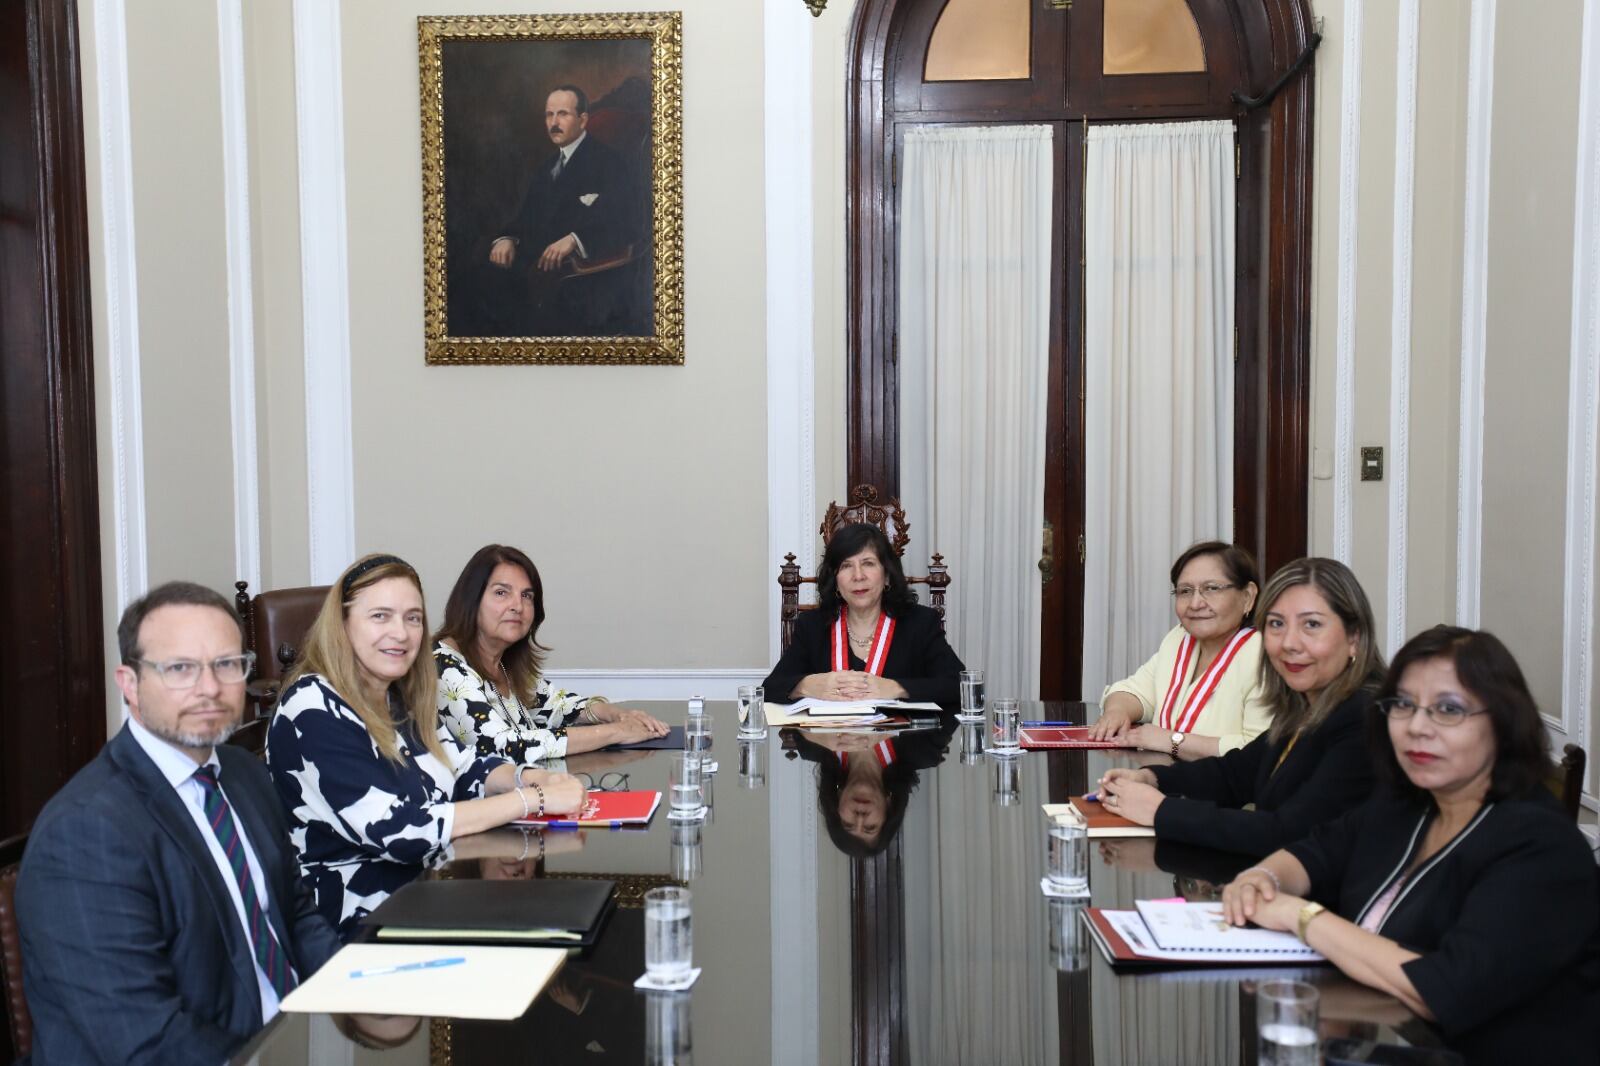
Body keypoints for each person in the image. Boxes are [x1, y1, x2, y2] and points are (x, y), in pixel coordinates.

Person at [1221, 627, 1600, 1064]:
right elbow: (1318, 851)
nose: (1418, 727)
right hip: (1393, 1037)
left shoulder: (1541, 847)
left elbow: (1444, 989)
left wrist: (1301, 916)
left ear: (1502, 723)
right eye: (1403, 705)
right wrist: (1262, 877)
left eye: (1448, 710)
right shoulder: (1409, 803)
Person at [16, 582, 340, 1065]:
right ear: (129, 683)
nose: (209, 687)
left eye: (227, 665)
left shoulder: (244, 772)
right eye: (180, 668)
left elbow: (297, 917)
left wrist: (365, 1000)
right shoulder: (85, 831)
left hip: (290, 1041)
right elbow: (144, 1040)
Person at [266, 553, 586, 939]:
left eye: (413, 618)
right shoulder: (312, 704)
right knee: (539, 930)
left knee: (564, 921)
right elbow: (401, 831)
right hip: (352, 920)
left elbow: (461, 767)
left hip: (423, 891)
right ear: (343, 624)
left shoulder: (397, 696)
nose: (401, 633)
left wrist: (530, 776)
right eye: (380, 616)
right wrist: (531, 800)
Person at [1094, 557, 1382, 857]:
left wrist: (1161, 811)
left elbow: (1286, 834)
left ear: (1355, 638)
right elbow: (1236, 773)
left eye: (1311, 624)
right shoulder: (1307, 706)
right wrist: (1152, 778)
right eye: (1276, 624)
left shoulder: (1366, 719)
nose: (1290, 643)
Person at [434, 544, 668, 765]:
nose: (518, 605)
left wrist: (615, 714)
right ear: (471, 600)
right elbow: (506, 746)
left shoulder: (504, 661)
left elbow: (556, 706)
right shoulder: (444, 665)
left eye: (527, 595)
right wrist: (615, 732)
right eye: (501, 593)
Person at [1087, 541, 1271, 759]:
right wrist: (1116, 711)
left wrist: (1171, 740)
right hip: (1167, 777)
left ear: (1247, 596)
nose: (1195, 603)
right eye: (1185, 591)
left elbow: (1259, 750)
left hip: (1230, 790)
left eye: (1211, 588)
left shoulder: (1265, 655)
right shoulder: (1179, 639)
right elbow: (1135, 691)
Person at [485, 85, 641, 335]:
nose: (554, 123)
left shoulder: (610, 163)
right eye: (549, 115)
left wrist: (575, 239)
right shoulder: (546, 167)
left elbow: (627, 223)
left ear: (583, 120)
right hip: (529, 269)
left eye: (563, 114)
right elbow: (525, 217)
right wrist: (507, 238)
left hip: (579, 276)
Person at [762, 522, 965, 706]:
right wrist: (807, 685)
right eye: (846, 566)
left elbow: (960, 686)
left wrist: (895, 688)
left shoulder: (920, 623)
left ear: (886, 575)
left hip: (902, 744)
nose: (858, 576)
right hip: (829, 743)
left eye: (868, 563)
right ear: (835, 580)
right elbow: (770, 688)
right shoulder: (812, 626)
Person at [784, 719, 956, 856]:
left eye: (848, 823)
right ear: (889, 809)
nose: (860, 816)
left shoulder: (811, 746)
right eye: (870, 827)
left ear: (836, 806)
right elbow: (955, 695)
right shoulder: (923, 750)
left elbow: (781, 698)